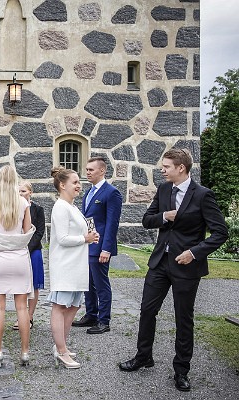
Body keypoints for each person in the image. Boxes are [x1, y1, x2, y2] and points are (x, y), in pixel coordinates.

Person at [119, 149, 228, 392]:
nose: (162, 170)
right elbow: (147, 220)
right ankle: (143, 356)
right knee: (147, 310)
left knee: (183, 318)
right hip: (160, 262)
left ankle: (181, 370)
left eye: (166, 166)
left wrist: (194, 253)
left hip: (186, 266)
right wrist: (164, 216)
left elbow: (220, 233)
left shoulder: (203, 195)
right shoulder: (164, 189)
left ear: (181, 168)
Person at [0, 165, 35, 367]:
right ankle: (25, 352)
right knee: (22, 307)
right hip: (19, 257)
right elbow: (27, 232)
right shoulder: (23, 203)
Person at [48, 166, 99, 369]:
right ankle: (61, 351)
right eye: (75, 182)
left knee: (74, 306)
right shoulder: (60, 207)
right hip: (65, 264)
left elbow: (81, 231)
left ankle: (62, 345)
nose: (79, 185)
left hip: (77, 264)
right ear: (62, 185)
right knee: (60, 306)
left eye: (79, 182)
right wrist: (84, 238)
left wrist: (90, 236)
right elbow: (62, 238)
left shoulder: (72, 207)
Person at [72, 157, 122, 334]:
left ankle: (104, 320)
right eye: (86, 169)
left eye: (91, 170)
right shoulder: (89, 192)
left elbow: (112, 224)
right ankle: (91, 315)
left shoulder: (112, 193)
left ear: (102, 171)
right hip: (88, 244)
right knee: (88, 283)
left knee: (101, 284)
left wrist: (106, 249)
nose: (87, 172)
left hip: (101, 247)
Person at [17, 180, 46, 331]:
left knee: (34, 284)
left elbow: (40, 232)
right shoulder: (15, 209)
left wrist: (27, 247)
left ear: (30, 192)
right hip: (17, 250)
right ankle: (20, 316)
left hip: (33, 250)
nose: (20, 194)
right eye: (18, 191)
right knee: (20, 284)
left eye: (23, 191)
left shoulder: (38, 209)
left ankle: (29, 316)